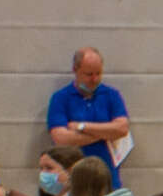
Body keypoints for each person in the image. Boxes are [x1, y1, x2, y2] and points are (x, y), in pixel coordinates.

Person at [45, 46, 130, 186]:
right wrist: (106, 133)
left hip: (108, 179)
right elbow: (61, 139)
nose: (94, 79)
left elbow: (122, 129)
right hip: (73, 181)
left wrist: (81, 127)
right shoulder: (60, 98)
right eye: (89, 74)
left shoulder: (111, 95)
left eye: (98, 73)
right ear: (75, 70)